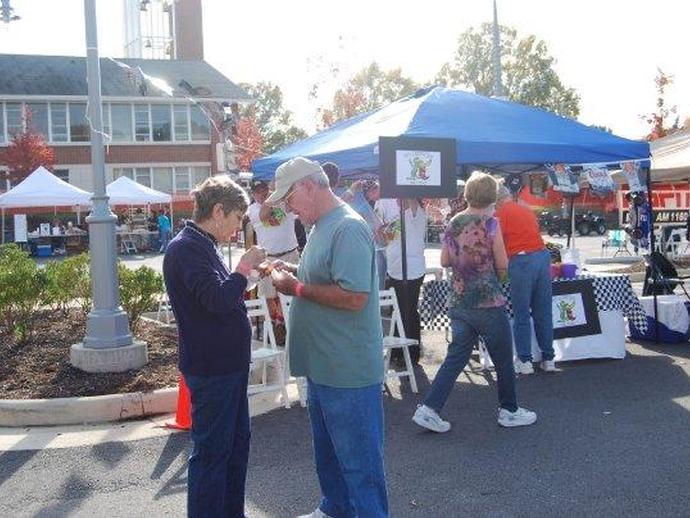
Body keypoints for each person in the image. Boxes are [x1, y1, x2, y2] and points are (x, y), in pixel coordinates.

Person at [266, 157, 388, 518]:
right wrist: (292, 272)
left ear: (307, 186)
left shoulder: (346, 227)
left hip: (346, 369)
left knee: (360, 465)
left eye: (288, 199)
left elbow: (355, 297)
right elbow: (326, 276)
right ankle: (333, 509)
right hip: (325, 365)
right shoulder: (323, 225)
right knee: (330, 454)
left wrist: (297, 286)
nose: (286, 208)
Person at [163, 175, 266, 518]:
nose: (239, 227)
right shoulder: (187, 248)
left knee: (235, 449)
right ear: (219, 210)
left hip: (226, 366)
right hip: (213, 368)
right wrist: (244, 268)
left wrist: (248, 277)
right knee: (211, 455)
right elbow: (218, 300)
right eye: (238, 218)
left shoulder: (201, 245)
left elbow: (219, 295)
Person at [413, 172, 537, 433]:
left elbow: (445, 260)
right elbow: (502, 263)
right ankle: (509, 410)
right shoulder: (491, 224)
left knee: (456, 357)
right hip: (488, 301)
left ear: (468, 193)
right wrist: (498, 275)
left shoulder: (454, 222)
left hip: (459, 301)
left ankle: (429, 408)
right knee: (503, 358)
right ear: (492, 196)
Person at [495, 183, 556, 374]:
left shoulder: (500, 214)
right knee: (543, 312)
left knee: (521, 314)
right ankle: (549, 358)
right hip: (542, 256)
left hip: (521, 261)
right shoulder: (525, 209)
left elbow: (497, 244)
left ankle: (525, 361)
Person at [374, 196, 426, 363]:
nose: (397, 200)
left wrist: (407, 192)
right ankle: (398, 351)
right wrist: (382, 231)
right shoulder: (398, 218)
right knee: (399, 311)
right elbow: (386, 240)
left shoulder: (416, 213)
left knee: (408, 311)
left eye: (400, 197)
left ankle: (411, 352)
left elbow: (413, 200)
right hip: (396, 271)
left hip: (411, 271)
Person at [246, 180, 300, 322]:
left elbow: (278, 217)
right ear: (253, 194)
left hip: (290, 255)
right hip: (267, 258)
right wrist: (274, 197)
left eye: (264, 189)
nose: (263, 193)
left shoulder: (283, 202)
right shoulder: (252, 210)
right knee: (267, 296)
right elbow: (272, 220)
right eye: (258, 191)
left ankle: (281, 324)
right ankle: (273, 326)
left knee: (290, 293)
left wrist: (280, 194)